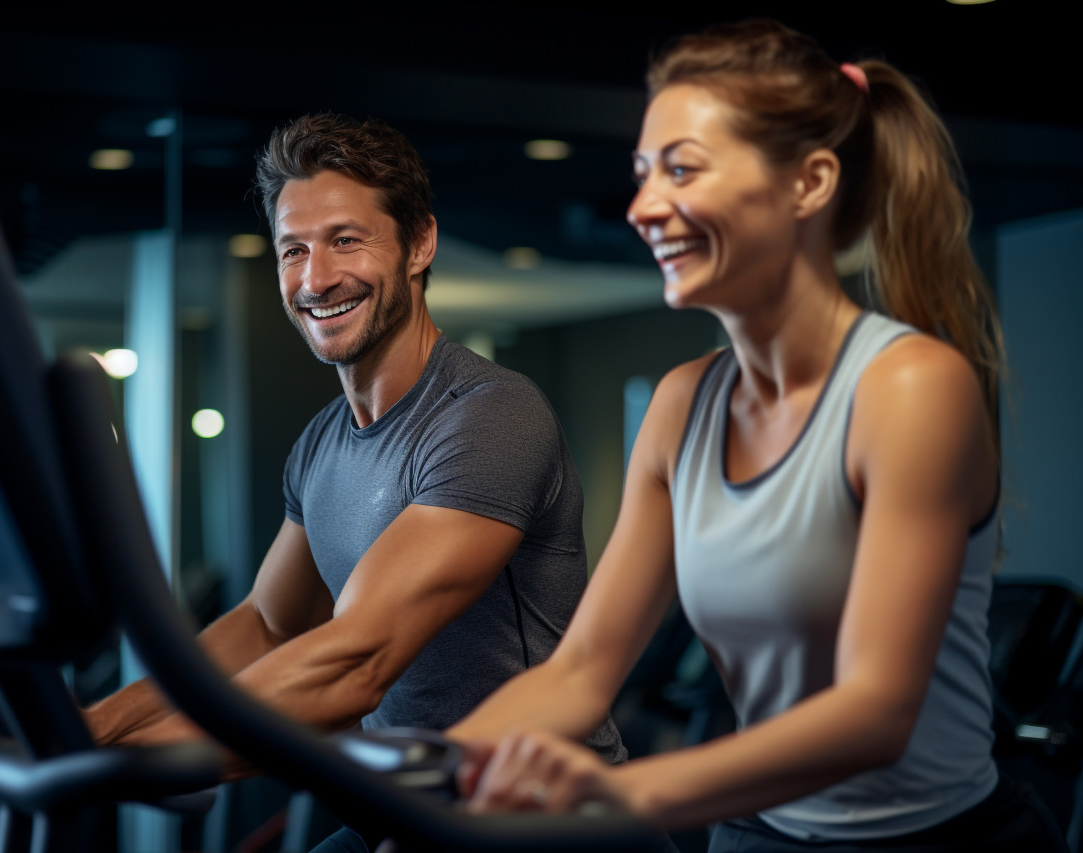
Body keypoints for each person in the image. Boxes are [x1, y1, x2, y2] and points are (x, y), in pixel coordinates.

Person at [447, 19, 1067, 852]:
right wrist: (445, 773)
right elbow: (583, 667)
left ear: (809, 182)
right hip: (760, 833)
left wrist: (623, 793)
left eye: (681, 169)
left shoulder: (911, 389)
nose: (641, 207)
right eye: (640, 175)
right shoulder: (681, 408)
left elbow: (875, 710)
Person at [85, 114, 624, 779]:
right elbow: (267, 624)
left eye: (345, 240)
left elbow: (358, 655)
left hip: (539, 816)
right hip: (411, 805)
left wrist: (138, 754)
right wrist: (91, 726)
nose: (315, 279)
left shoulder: (490, 415)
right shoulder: (320, 444)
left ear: (419, 243)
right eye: (294, 250)